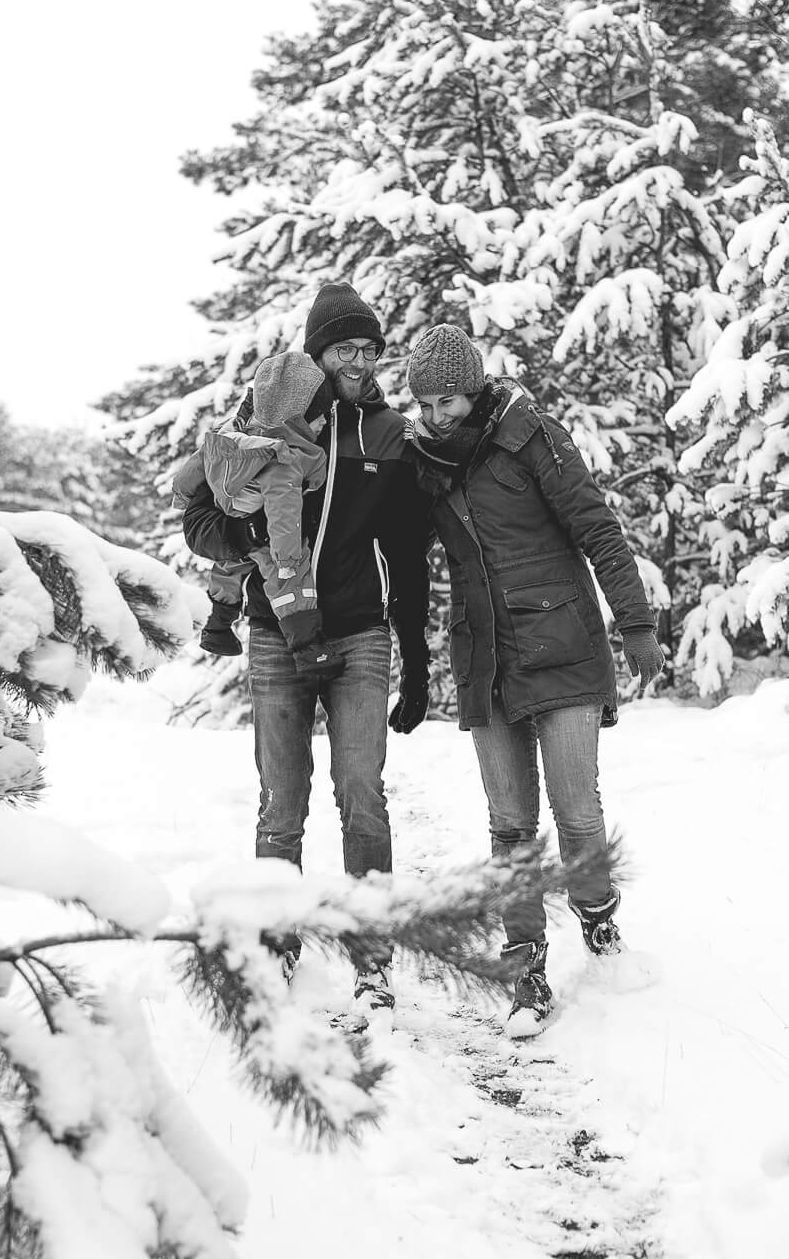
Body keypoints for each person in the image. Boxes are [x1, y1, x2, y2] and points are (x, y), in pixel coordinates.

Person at [404, 323, 664, 1038]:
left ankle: (600, 924)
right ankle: (526, 968)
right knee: (509, 823)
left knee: (576, 810)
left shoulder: (529, 434)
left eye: (448, 401)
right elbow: (385, 543)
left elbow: (596, 527)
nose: (435, 416)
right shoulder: (424, 459)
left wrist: (634, 621)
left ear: (475, 388)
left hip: (562, 643)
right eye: (424, 404)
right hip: (484, 657)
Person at [181, 281, 432, 1022]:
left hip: (358, 634)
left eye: (370, 349)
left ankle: (372, 958)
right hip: (273, 634)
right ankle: (276, 944)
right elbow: (201, 518)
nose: (360, 361)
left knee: (363, 796)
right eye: (345, 348)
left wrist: (415, 660)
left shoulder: (388, 435)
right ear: (317, 352)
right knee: (279, 803)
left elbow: (409, 556)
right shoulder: (266, 414)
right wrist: (249, 532)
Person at [174, 352, 345, 677]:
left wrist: (182, 494)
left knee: (230, 566)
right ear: (295, 419)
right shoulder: (282, 458)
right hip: (267, 533)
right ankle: (308, 650)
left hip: (232, 513)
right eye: (318, 416)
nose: (324, 423)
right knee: (291, 584)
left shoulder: (235, 435)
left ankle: (217, 628)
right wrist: (287, 559)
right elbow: (284, 513)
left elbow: (195, 466)